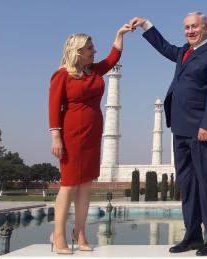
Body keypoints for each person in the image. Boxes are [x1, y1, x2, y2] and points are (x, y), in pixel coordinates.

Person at [130, 12, 207, 256]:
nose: (190, 31)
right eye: (186, 27)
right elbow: (165, 47)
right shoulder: (185, 52)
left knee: (206, 184)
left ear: (206, 27)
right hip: (181, 129)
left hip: (202, 130)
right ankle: (193, 235)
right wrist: (146, 25)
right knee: (187, 184)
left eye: (194, 26)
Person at [48, 24, 131, 254]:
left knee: (86, 186)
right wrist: (56, 137)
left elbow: (113, 58)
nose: (94, 51)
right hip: (71, 133)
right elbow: (54, 106)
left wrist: (119, 35)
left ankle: (80, 232)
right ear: (78, 51)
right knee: (68, 185)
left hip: (93, 131)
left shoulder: (93, 71)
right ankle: (58, 234)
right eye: (90, 48)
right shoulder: (62, 74)